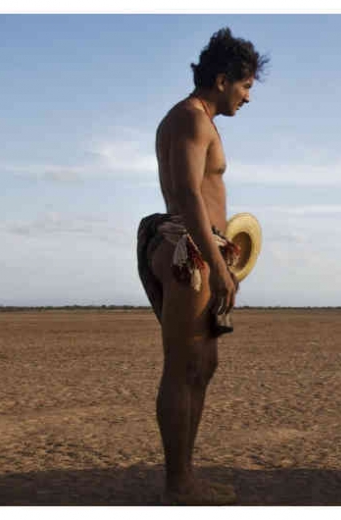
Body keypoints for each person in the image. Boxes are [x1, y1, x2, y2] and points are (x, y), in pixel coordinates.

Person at [136, 27, 267, 505]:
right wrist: (216, 262)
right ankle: (179, 483)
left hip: (197, 249)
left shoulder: (193, 119)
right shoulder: (192, 119)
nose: (248, 97)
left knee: (201, 366)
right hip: (189, 254)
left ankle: (185, 475)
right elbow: (190, 193)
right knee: (182, 367)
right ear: (221, 79)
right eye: (246, 86)